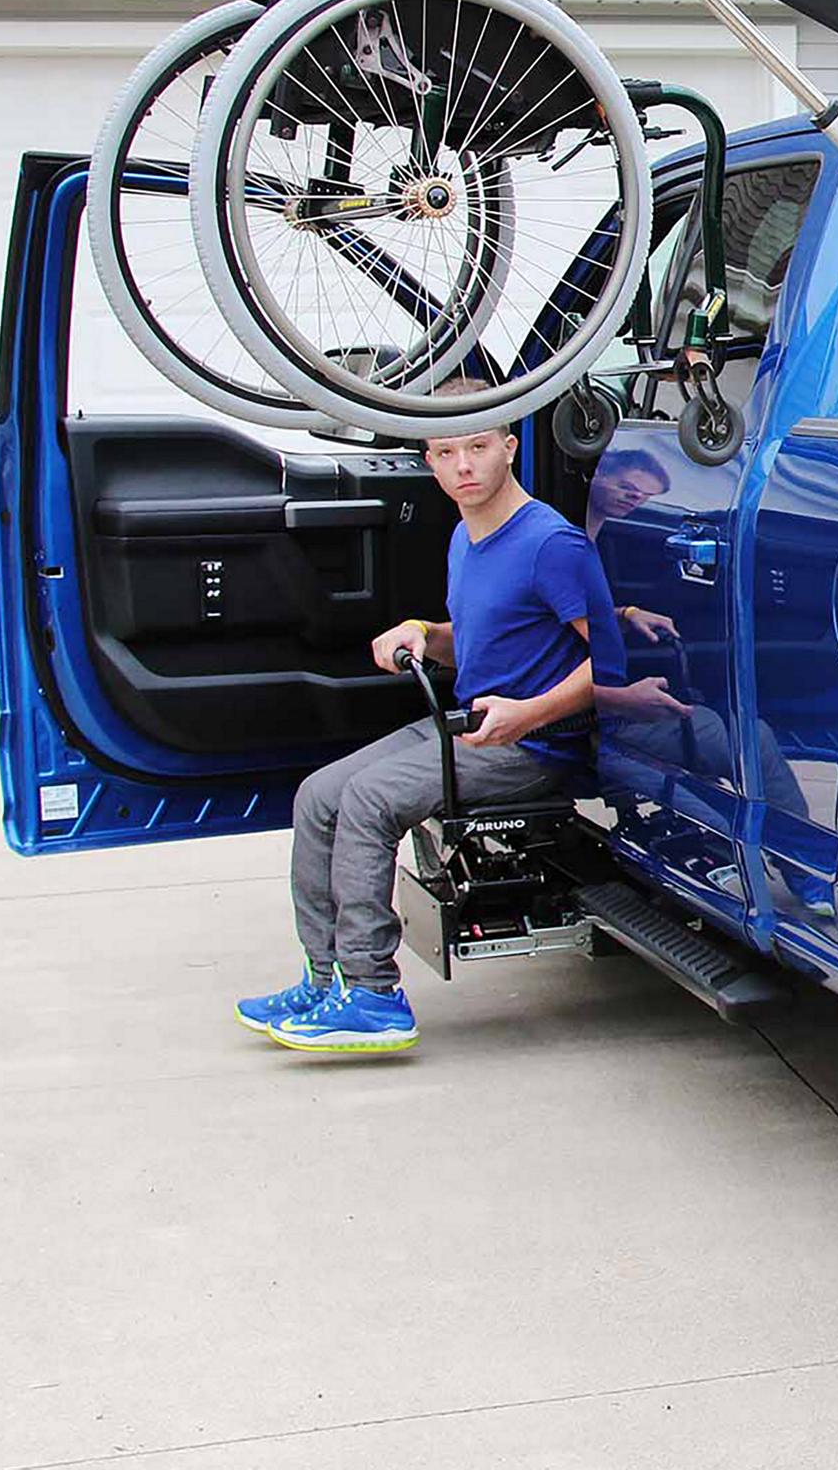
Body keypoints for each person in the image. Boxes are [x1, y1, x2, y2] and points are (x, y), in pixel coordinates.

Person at [235, 401, 624, 1055]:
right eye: (446, 453)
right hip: (471, 725)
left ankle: (373, 996)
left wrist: (529, 713)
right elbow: (482, 638)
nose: (463, 466)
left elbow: (613, 658)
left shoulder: (549, 544)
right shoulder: (465, 537)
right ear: (430, 464)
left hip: (534, 748)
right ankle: (324, 979)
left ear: (509, 448)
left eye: (477, 448)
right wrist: (423, 633)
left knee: (368, 800)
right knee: (318, 795)